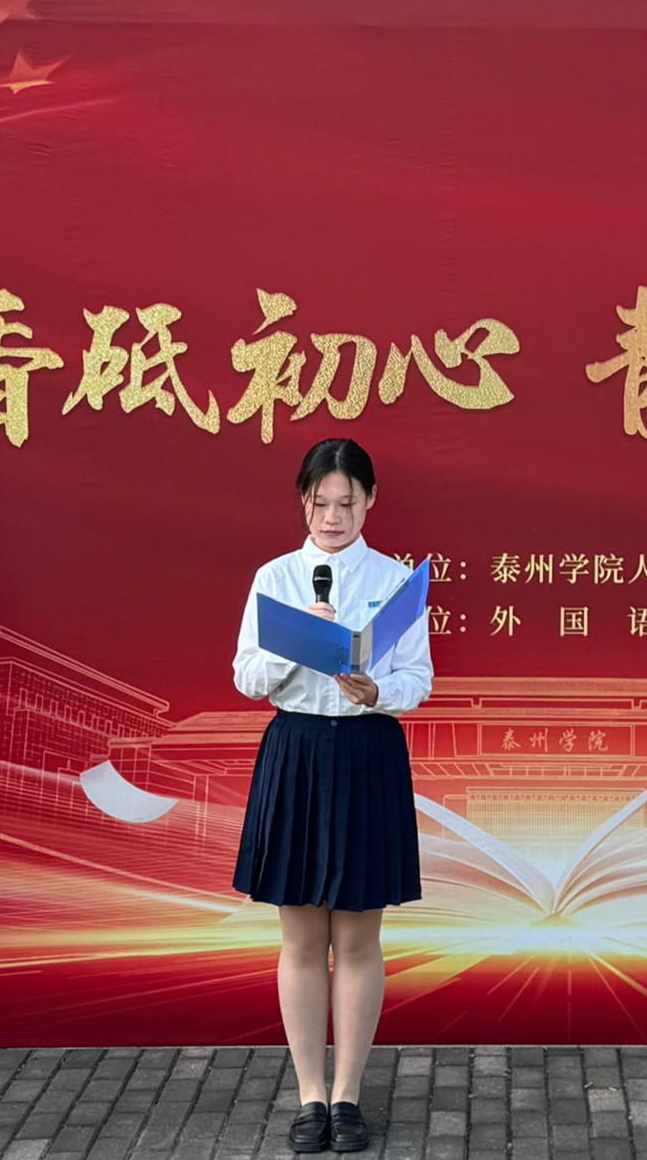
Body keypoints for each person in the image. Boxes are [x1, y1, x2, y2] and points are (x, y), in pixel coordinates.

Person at [232, 437, 433, 1155]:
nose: (333, 515)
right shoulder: (276, 578)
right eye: (320, 502)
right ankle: (309, 1095)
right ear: (304, 501)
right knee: (300, 937)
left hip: (366, 750)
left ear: (370, 500)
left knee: (356, 937)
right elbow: (246, 676)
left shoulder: (395, 581)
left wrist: (378, 690)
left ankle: (347, 1095)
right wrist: (294, 646)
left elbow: (418, 678)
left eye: (347, 502)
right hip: (297, 749)